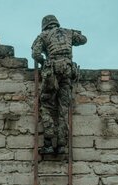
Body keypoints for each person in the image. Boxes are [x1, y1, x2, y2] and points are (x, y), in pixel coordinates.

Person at [31, 15, 87, 155]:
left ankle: (49, 143)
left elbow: (36, 54)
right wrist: (75, 32)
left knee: (46, 104)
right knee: (63, 108)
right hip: (68, 72)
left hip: (52, 72)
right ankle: (62, 145)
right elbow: (83, 40)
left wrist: (45, 63)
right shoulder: (68, 32)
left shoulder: (43, 35)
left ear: (44, 25)